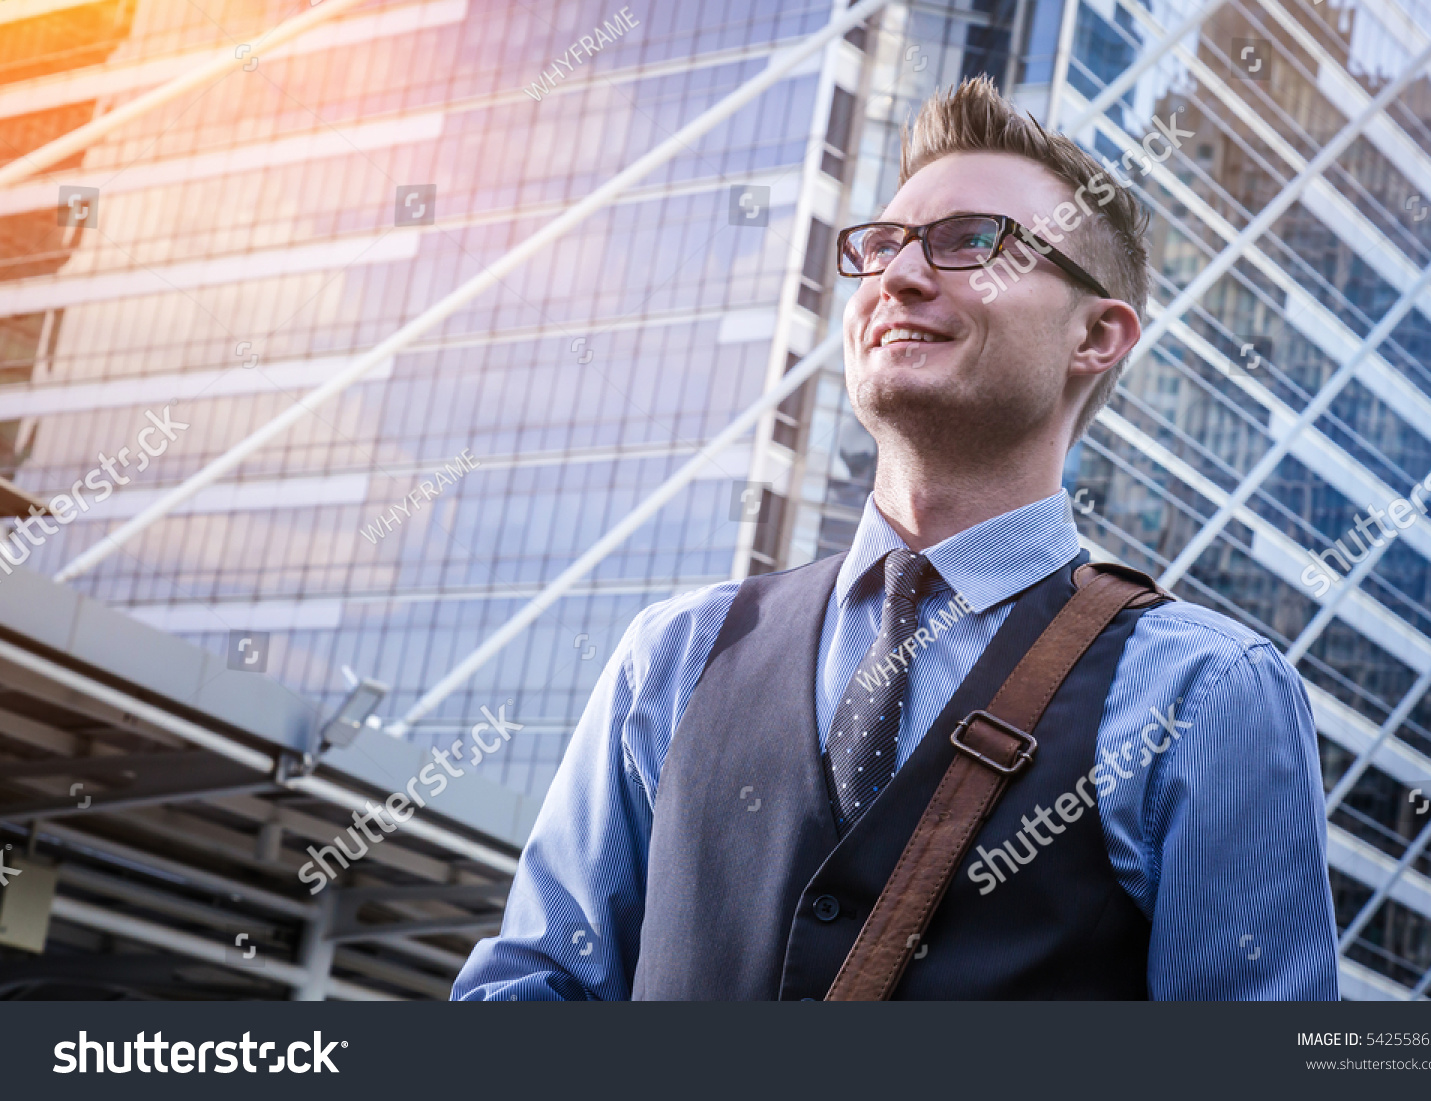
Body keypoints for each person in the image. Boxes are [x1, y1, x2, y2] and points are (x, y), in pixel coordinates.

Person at [453, 76, 1339, 1001]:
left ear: (1098, 336)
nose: (899, 277)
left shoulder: (1205, 691)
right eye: (882, 245)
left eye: (970, 243)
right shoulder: (670, 658)